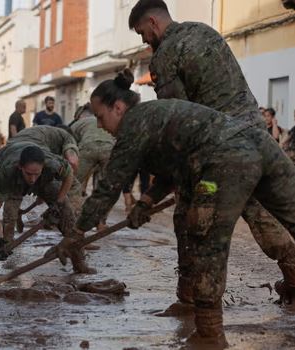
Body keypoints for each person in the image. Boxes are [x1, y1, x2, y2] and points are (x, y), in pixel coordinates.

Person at [54, 72, 295, 346]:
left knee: (206, 241)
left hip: (221, 168)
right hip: (259, 144)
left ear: (118, 108)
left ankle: (208, 332)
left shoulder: (133, 125)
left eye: (100, 116)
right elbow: (177, 168)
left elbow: (109, 186)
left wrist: (76, 232)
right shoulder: (156, 114)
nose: (100, 125)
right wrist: (146, 201)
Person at [129, 0, 295, 316]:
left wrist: (158, 189)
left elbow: (178, 123)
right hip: (255, 138)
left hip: (218, 151)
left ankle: (191, 300)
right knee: (258, 210)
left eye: (142, 33)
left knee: (190, 220)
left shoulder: (165, 57)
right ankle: (293, 276)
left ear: (152, 22)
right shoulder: (205, 31)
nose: (143, 41)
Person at [0, 143, 95, 276]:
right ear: (20, 167)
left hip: (44, 179)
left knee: (66, 211)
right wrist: (1, 239)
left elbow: (69, 175)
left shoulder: (52, 165)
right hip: (7, 168)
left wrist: (58, 203)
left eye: (36, 174)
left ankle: (79, 261)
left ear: (43, 168)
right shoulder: (5, 173)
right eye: (29, 174)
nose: (32, 179)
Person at [69, 103, 114, 196]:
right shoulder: (104, 120)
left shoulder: (79, 122)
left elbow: (68, 141)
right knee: (105, 184)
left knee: (74, 181)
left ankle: (70, 205)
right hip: (108, 149)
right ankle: (98, 206)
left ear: (80, 115)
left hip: (87, 148)